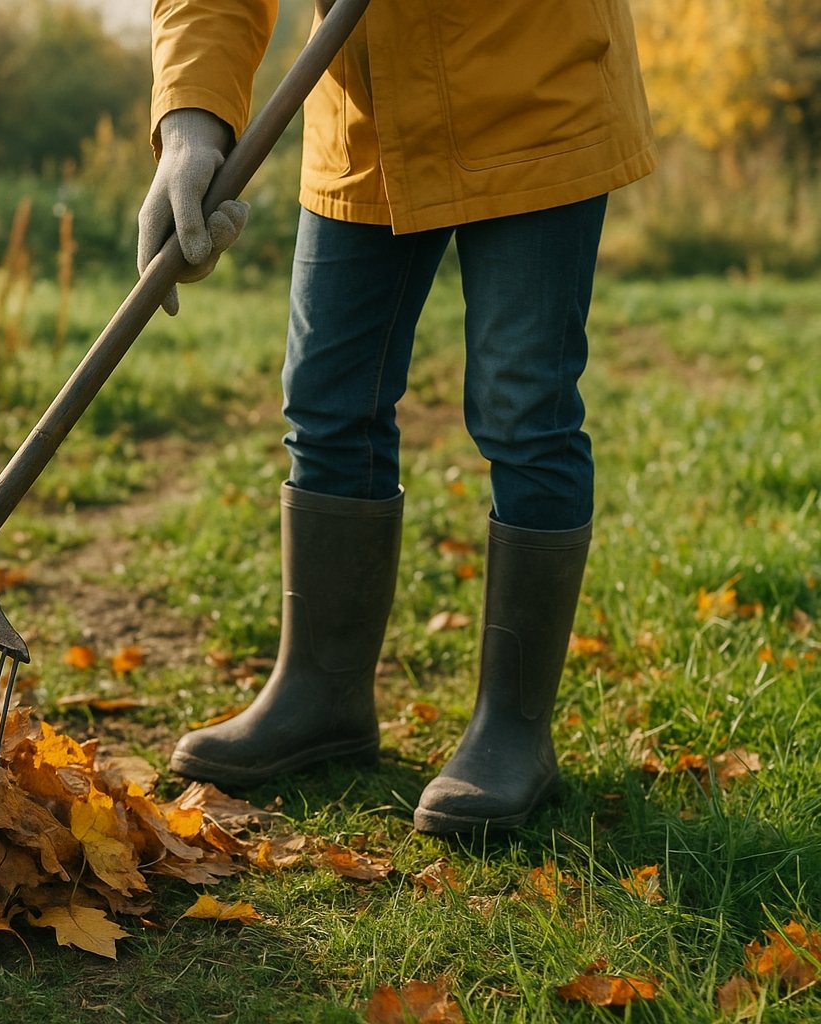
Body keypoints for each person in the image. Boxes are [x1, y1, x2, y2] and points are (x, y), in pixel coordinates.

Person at [139, 0, 656, 834]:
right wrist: (191, 125)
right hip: (366, 114)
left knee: (525, 409)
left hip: (535, 90)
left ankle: (513, 733)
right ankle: (321, 695)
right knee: (327, 403)